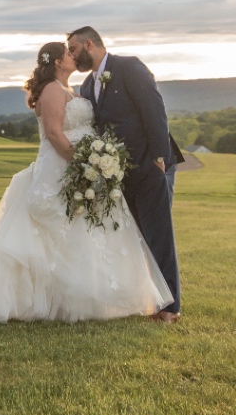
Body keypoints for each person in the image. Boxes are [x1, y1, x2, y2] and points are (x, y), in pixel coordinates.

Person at [0, 42, 172, 322]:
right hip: (63, 167)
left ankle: (99, 297)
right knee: (66, 228)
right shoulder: (51, 89)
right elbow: (53, 132)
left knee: (89, 229)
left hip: (82, 167)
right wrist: (82, 162)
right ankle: (62, 301)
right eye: (69, 54)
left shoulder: (73, 89)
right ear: (58, 62)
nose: (74, 57)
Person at [67, 26, 183, 321]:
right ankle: (150, 299)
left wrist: (159, 156)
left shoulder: (129, 66)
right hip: (119, 172)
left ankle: (170, 307)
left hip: (150, 164)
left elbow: (154, 108)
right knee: (138, 238)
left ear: (89, 44)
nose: (71, 56)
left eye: (73, 50)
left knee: (158, 234)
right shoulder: (86, 85)